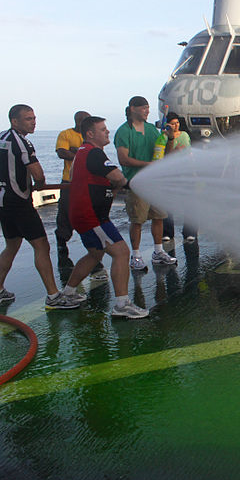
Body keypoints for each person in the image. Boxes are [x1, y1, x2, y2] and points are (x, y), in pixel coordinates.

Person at [61, 116, 148, 318]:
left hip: (85, 214)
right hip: (92, 217)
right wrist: (120, 185)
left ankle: (68, 293)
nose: (107, 132)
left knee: (95, 254)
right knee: (121, 253)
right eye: (103, 129)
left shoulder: (82, 153)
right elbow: (118, 177)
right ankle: (122, 305)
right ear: (90, 133)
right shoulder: (94, 153)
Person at [0, 104, 83, 309]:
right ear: (15, 121)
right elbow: (37, 173)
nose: (34, 122)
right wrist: (39, 184)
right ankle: (54, 296)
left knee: (11, 246)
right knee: (41, 246)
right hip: (19, 203)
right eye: (28, 119)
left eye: (34, 118)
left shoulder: (2, 138)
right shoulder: (22, 143)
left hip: (3, 203)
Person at [114, 96, 177, 270]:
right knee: (137, 221)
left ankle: (158, 252)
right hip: (136, 183)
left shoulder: (151, 129)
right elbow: (123, 159)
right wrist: (148, 165)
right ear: (132, 108)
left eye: (148, 108)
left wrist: (170, 138)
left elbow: (164, 154)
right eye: (144, 108)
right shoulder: (123, 132)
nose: (147, 111)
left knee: (159, 217)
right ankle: (136, 257)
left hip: (155, 183)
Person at [54, 110, 90, 261]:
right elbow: (62, 152)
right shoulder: (66, 134)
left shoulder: (90, 136)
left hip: (87, 181)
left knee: (88, 212)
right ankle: (62, 241)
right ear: (78, 121)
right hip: (69, 181)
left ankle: (91, 242)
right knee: (65, 212)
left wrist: (75, 151)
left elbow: (94, 154)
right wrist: (80, 154)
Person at [160, 112, 198, 244]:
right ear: (167, 124)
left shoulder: (185, 135)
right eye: (173, 123)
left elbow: (189, 153)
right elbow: (164, 156)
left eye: (177, 123)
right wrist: (176, 151)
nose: (176, 126)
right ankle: (167, 233)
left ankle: (190, 232)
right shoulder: (163, 137)